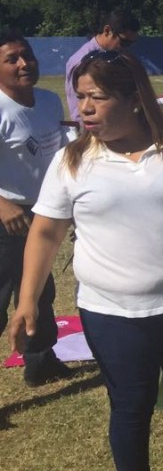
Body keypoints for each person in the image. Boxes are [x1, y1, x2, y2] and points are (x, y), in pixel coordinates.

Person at [8, 49, 163, 471]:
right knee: (132, 407)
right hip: (113, 314)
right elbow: (46, 232)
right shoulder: (73, 160)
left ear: (133, 99)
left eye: (98, 97)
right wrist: (27, 301)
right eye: (81, 96)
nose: (85, 108)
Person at [0, 31, 74, 387]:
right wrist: (3, 205)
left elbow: (60, 151)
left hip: (43, 213)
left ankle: (40, 360)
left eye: (26, 55)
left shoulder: (47, 101)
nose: (23, 64)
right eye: (11, 59)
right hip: (7, 219)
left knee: (41, 290)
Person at [65, 9, 140, 120]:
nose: (126, 48)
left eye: (131, 44)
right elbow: (78, 107)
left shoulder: (116, 56)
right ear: (107, 30)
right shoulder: (80, 61)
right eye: (124, 42)